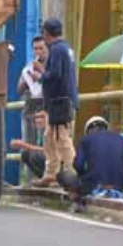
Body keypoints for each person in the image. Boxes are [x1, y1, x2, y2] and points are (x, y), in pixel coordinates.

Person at [33, 18, 78, 188]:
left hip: (61, 102)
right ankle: (51, 173)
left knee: (62, 139)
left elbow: (55, 74)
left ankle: (72, 172)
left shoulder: (57, 50)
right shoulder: (64, 49)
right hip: (59, 102)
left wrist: (40, 74)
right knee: (49, 137)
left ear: (47, 33)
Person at [65, 115, 123, 211]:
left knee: (64, 176)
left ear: (88, 130)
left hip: (94, 186)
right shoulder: (121, 139)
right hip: (118, 186)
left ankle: (77, 201)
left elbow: (78, 165)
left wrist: (85, 176)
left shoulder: (86, 139)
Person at [17, 36, 49, 146]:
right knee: (28, 147)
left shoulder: (52, 66)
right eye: (35, 49)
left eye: (41, 48)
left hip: (46, 110)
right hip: (30, 111)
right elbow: (19, 90)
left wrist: (41, 70)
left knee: (46, 147)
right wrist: (26, 81)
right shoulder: (29, 67)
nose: (38, 52)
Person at [9, 111, 48, 183]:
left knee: (35, 155)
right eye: (36, 117)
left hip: (60, 164)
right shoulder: (41, 132)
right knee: (25, 154)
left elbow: (49, 151)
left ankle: (50, 179)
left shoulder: (53, 129)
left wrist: (24, 145)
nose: (38, 120)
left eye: (42, 117)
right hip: (51, 161)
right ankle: (44, 178)